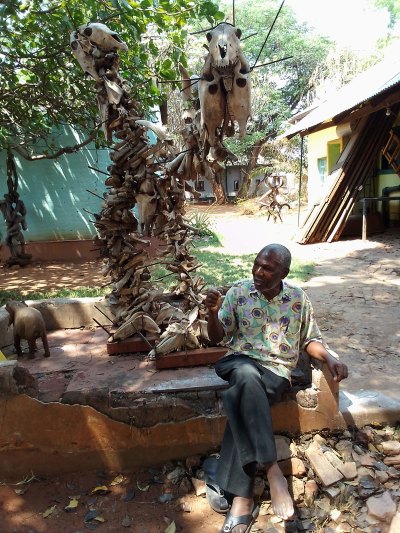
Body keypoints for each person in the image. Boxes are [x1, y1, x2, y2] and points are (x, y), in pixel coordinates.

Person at [205, 243, 348, 533]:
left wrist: (331, 358)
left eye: (267, 268)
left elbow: (309, 340)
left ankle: (242, 497)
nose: (258, 271)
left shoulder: (297, 299)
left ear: (284, 272)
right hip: (238, 361)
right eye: (256, 264)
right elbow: (216, 337)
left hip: (276, 371)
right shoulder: (238, 292)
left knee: (245, 391)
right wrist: (212, 312)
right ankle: (272, 472)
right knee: (245, 373)